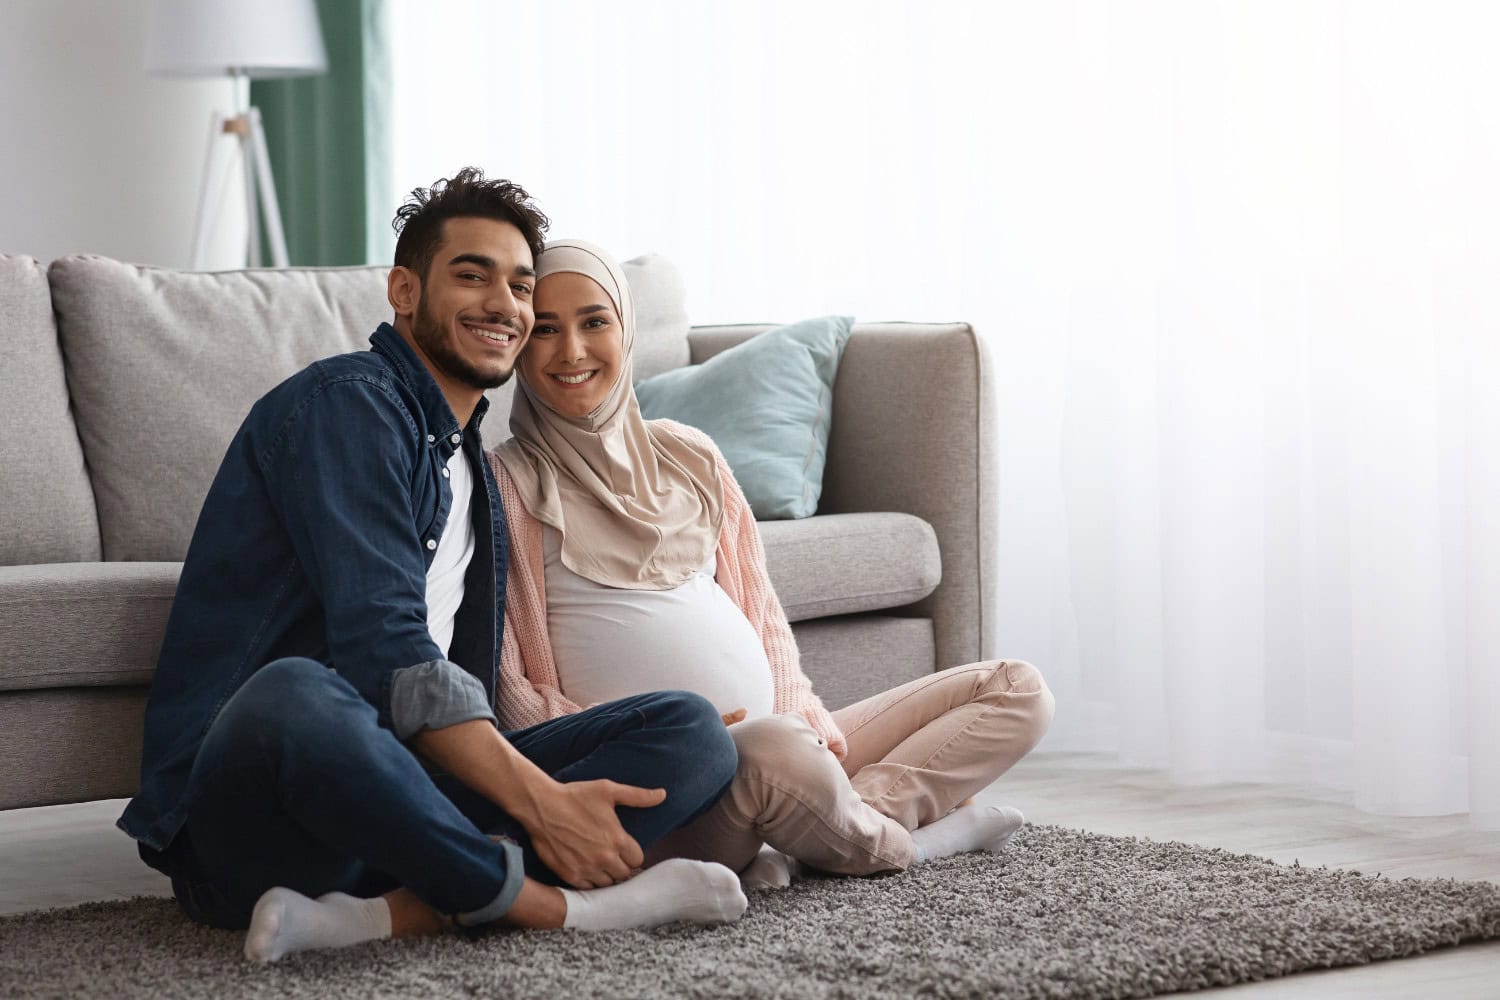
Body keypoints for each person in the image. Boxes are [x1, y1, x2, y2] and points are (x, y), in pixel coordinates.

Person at [116, 171, 747, 965]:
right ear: (404, 290)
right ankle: (552, 908)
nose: (505, 305)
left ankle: (399, 911)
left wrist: (555, 769)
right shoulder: (346, 405)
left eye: (521, 285)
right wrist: (546, 807)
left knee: (689, 730)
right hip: (264, 825)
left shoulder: (474, 468)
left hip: (404, 810)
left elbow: (467, 689)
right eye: (472, 274)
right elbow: (387, 651)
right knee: (296, 690)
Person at [489, 239, 1056, 888]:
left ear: (626, 329)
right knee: (777, 757)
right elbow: (512, 695)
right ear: (518, 348)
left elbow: (764, 620)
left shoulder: (690, 453)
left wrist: (800, 720)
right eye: (546, 331)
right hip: (667, 796)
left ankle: (816, 824)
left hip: (781, 741)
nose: (572, 351)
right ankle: (923, 840)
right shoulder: (505, 488)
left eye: (595, 322)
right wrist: (678, 738)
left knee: (1017, 689)